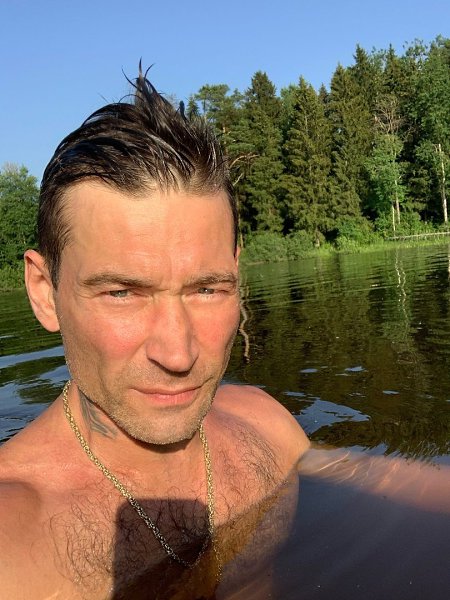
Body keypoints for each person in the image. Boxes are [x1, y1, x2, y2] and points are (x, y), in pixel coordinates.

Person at [0, 70, 309, 599]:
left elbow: (386, 482)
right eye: (122, 292)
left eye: (207, 289)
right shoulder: (14, 544)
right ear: (45, 291)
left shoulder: (267, 424)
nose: (178, 353)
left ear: (237, 274)